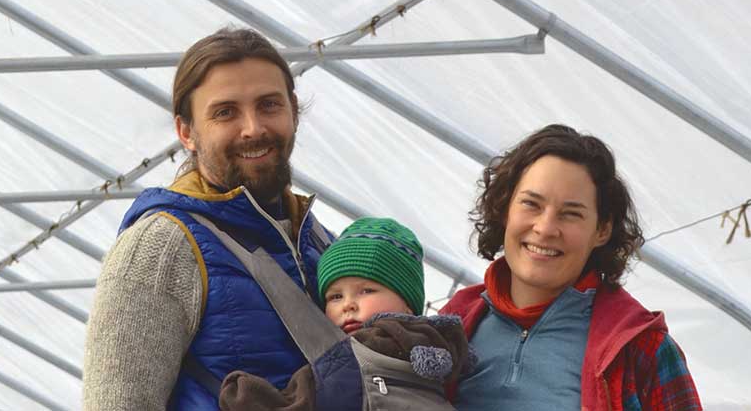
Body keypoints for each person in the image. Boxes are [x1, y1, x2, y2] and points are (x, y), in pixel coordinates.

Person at [82, 28, 334, 410]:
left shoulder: (315, 237)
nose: (253, 128)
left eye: (269, 105)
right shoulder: (161, 248)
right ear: (187, 132)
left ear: (293, 113)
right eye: (225, 112)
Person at [441, 124, 702, 410]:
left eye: (571, 214)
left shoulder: (641, 349)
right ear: (505, 208)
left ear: (602, 230)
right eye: (531, 204)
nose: (545, 228)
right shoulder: (452, 325)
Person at [219, 217, 473, 411]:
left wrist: (245, 393)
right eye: (335, 296)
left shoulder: (345, 357)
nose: (348, 305)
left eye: (366, 290)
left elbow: (297, 401)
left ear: (408, 303)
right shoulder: (445, 347)